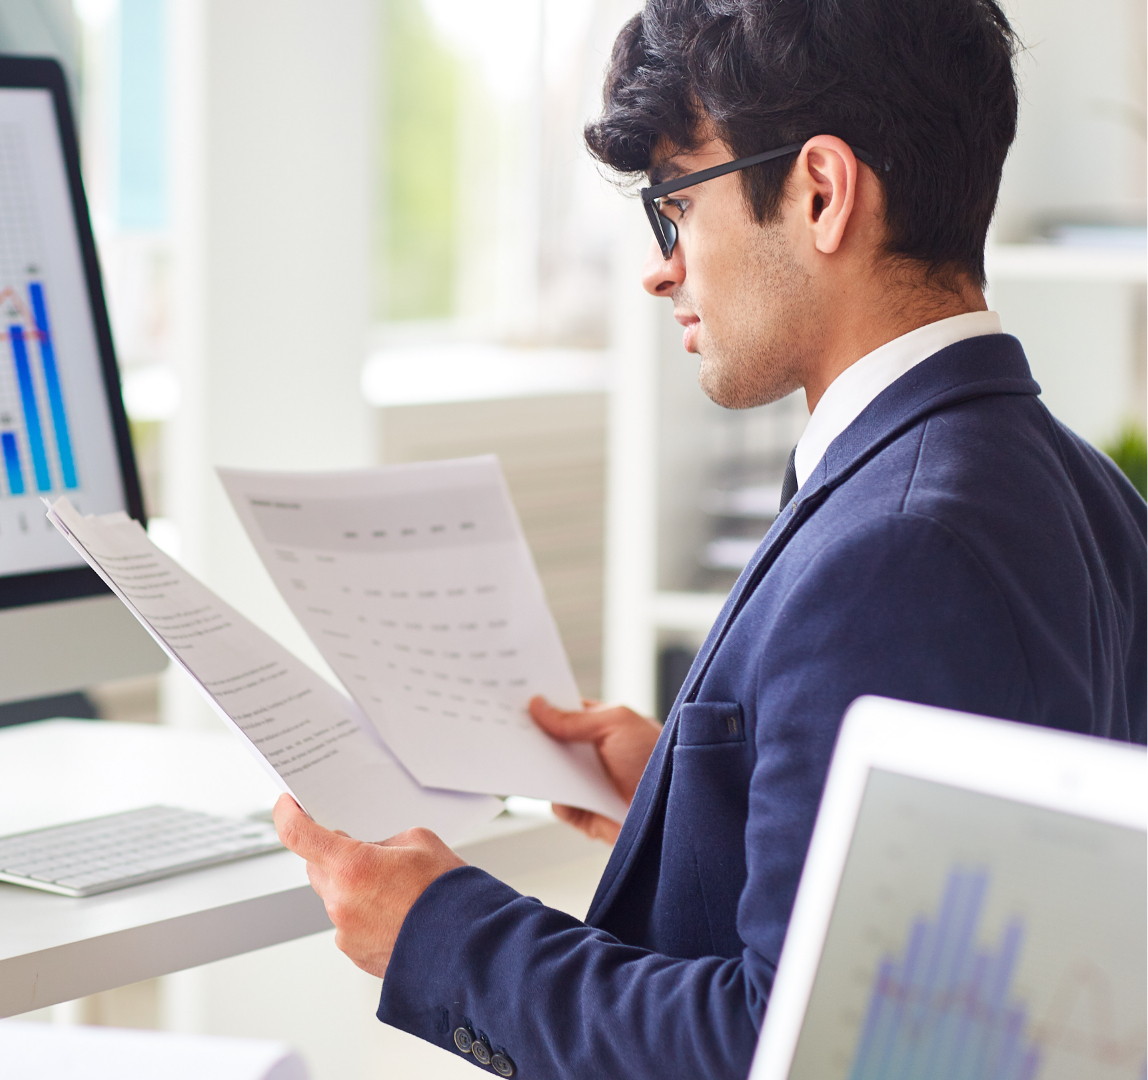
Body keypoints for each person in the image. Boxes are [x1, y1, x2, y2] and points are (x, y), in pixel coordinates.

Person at [273, 0, 1148, 1075]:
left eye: (676, 208)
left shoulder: (902, 547)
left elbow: (774, 1049)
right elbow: (952, 924)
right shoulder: (1079, 487)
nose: (660, 268)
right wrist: (693, 797)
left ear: (822, 193)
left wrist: (443, 934)